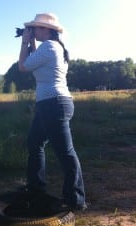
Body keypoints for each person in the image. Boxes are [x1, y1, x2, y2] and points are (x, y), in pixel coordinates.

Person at [18, 13, 87, 211]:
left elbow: (23, 66)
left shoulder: (49, 47)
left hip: (53, 104)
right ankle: (36, 187)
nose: (33, 31)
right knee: (35, 143)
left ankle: (75, 199)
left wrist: (24, 43)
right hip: (51, 103)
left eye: (37, 28)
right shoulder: (55, 48)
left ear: (47, 30)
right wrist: (31, 44)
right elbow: (34, 63)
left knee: (65, 152)